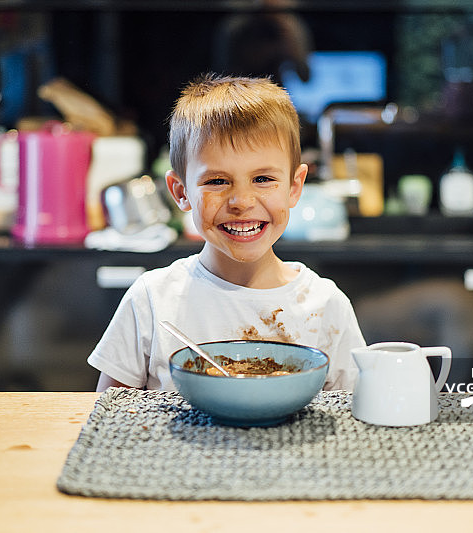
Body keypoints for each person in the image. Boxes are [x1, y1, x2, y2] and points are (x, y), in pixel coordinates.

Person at [89, 73, 365, 392]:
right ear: (181, 192)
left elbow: (349, 421)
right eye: (217, 181)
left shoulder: (326, 304)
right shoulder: (151, 300)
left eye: (263, 179)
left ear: (294, 186)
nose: (242, 202)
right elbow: (107, 420)